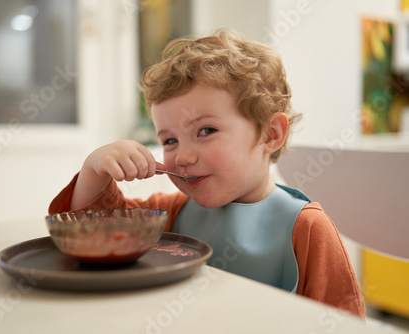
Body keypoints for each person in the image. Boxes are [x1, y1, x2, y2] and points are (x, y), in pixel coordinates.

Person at [49, 29, 365, 318]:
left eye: (206, 130)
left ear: (270, 135)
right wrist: (95, 169)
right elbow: (88, 230)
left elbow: (344, 322)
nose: (183, 156)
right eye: (169, 140)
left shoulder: (307, 228)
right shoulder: (170, 213)